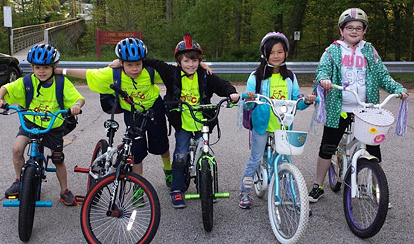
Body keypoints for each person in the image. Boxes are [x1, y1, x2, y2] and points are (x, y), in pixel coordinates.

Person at [308, 8, 409, 204]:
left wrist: (397, 88)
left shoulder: (369, 51)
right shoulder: (333, 50)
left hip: (366, 108)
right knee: (327, 147)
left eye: (358, 28)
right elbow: (322, 70)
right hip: (340, 107)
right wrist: (324, 80)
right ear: (341, 30)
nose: (354, 31)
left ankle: (376, 186)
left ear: (364, 31)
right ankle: (318, 185)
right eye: (349, 28)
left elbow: (382, 75)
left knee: (373, 149)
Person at [139, 34, 239, 208]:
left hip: (203, 122)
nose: (190, 65)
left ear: (199, 61)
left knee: (205, 154)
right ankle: (177, 190)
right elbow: (154, 63)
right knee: (180, 155)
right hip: (182, 122)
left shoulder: (205, 76)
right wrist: (124, 62)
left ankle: (205, 186)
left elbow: (222, 84)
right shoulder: (172, 74)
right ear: (179, 61)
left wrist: (232, 93)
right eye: (186, 61)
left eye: (194, 60)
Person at [59, 38, 172, 186]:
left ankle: (168, 170)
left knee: (162, 145)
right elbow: (88, 74)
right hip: (132, 113)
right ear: (121, 63)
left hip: (154, 110)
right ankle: (139, 185)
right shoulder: (112, 74)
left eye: (138, 64)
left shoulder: (150, 71)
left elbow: (174, 71)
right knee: (136, 152)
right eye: (129, 65)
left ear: (143, 62)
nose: (134, 69)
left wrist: (199, 65)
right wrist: (60, 71)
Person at [0, 44, 85, 206]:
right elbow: (6, 88)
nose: (41, 71)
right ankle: (19, 181)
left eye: (46, 68)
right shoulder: (27, 82)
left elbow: (79, 98)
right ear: (32, 67)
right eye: (37, 67)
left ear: (54, 67)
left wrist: (76, 105)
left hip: (53, 126)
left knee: (58, 158)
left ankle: (64, 190)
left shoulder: (61, 83)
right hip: (30, 122)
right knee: (17, 149)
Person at [238, 32, 315, 209]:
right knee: (255, 159)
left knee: (285, 161)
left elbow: (297, 101)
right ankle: (244, 192)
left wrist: (306, 100)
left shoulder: (290, 77)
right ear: (265, 54)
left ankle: (290, 196)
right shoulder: (255, 77)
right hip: (262, 125)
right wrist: (249, 100)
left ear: (286, 53)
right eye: (271, 52)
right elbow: (249, 106)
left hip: (283, 126)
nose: (276, 56)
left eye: (280, 52)